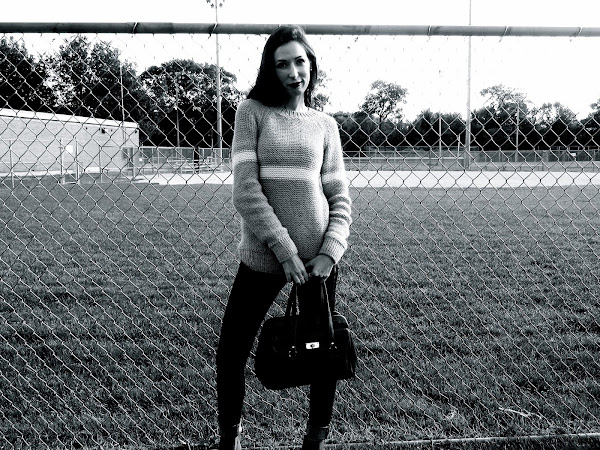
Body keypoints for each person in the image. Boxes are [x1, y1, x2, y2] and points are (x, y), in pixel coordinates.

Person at [215, 25, 352, 450]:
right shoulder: (252, 112)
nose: (294, 72)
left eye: (300, 62)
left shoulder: (325, 125)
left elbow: (338, 196)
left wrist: (330, 251)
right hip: (264, 257)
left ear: (311, 65)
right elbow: (245, 190)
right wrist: (284, 250)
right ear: (270, 70)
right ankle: (230, 439)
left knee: (323, 352)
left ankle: (316, 438)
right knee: (231, 352)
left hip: (317, 264)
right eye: (282, 65)